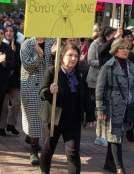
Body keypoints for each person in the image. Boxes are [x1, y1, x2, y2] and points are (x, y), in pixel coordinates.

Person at [39, 44, 96, 174]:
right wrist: (50, 90)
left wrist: (91, 115)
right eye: (69, 55)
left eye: (76, 56)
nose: (73, 58)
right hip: (54, 118)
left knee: (73, 152)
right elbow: (42, 93)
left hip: (73, 119)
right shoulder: (52, 71)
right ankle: (44, 171)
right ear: (62, 57)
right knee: (48, 149)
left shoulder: (80, 72)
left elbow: (86, 95)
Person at [96, 38, 134, 173]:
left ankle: (109, 163)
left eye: (127, 48)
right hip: (112, 107)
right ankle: (120, 167)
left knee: (117, 136)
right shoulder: (108, 67)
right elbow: (100, 90)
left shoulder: (132, 67)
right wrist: (101, 109)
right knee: (115, 137)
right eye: (121, 48)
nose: (125, 50)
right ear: (115, 50)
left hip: (127, 107)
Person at [20, 37, 55, 165]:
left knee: (48, 119)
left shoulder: (53, 42)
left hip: (49, 85)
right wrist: (39, 55)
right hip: (31, 86)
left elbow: (57, 65)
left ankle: (35, 140)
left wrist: (53, 55)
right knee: (34, 118)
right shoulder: (27, 44)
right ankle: (33, 150)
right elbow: (28, 66)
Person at [87, 26, 115, 148]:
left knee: (104, 108)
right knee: (98, 108)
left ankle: (102, 134)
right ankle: (99, 135)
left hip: (109, 81)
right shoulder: (95, 44)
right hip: (95, 80)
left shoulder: (115, 45)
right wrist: (106, 64)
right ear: (107, 36)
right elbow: (90, 61)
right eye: (113, 36)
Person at [0, 24, 21, 136]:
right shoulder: (1, 45)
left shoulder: (18, 45)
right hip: (3, 79)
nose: (9, 33)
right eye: (6, 31)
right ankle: (1, 126)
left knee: (17, 101)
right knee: (3, 105)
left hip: (14, 79)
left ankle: (11, 124)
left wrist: (14, 52)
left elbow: (19, 63)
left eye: (11, 31)